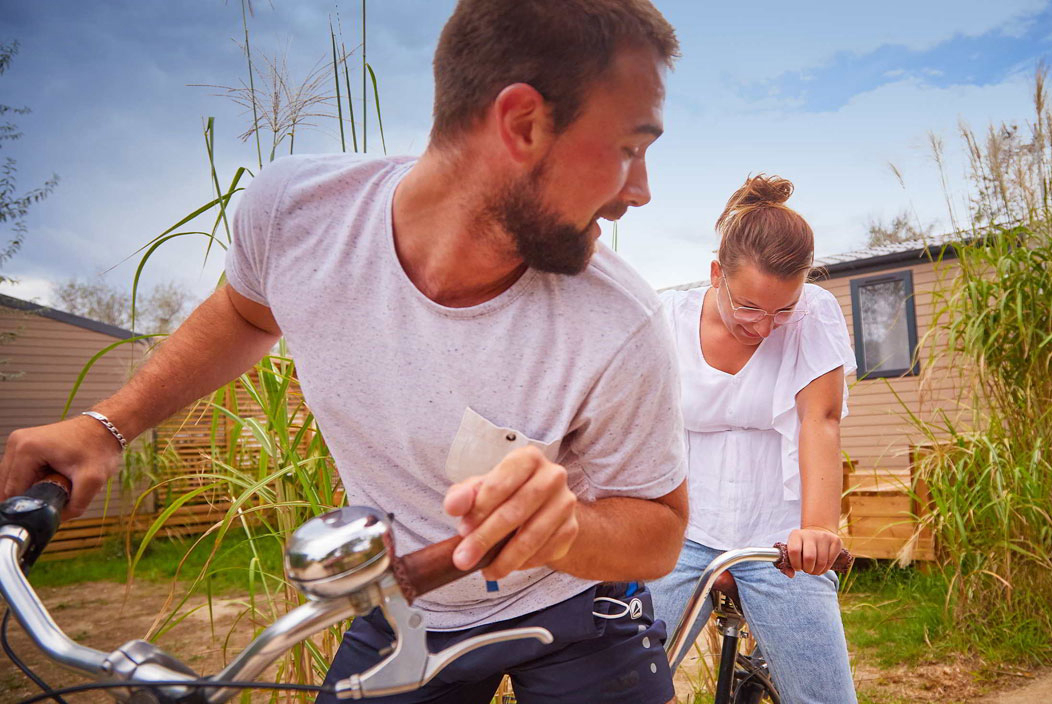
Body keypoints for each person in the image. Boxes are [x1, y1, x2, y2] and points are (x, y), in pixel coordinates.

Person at [0, 1, 691, 702]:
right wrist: (106, 427)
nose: (639, 192)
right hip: (401, 602)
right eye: (629, 149)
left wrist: (566, 530)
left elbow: (662, 531)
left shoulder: (621, 321)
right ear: (522, 124)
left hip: (578, 609)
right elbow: (243, 312)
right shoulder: (295, 214)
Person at [648, 174, 858, 703]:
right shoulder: (665, 321)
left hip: (780, 539)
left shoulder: (815, 314)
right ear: (716, 274)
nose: (764, 328)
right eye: (748, 307)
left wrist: (818, 529)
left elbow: (820, 422)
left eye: (782, 310)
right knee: (622, 686)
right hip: (681, 530)